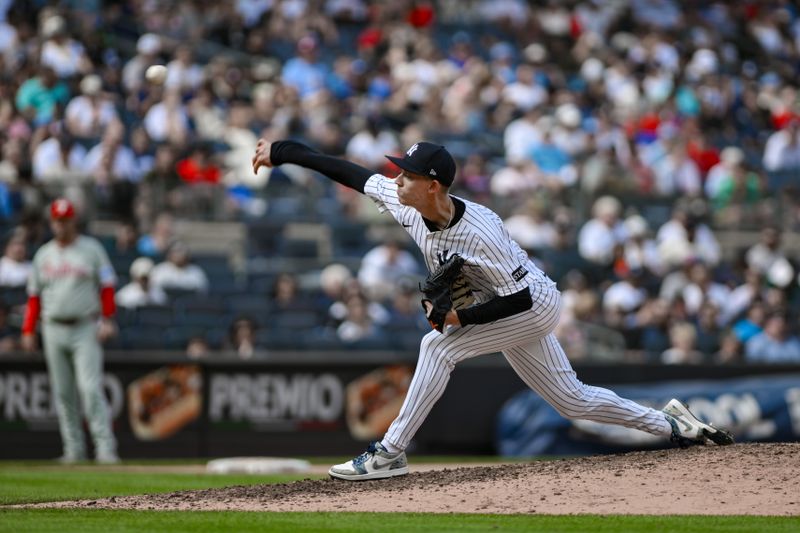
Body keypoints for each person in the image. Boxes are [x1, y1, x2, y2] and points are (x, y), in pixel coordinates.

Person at [252, 138, 734, 482]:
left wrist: (458, 319)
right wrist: (285, 152)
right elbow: (351, 173)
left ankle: (390, 452)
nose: (397, 179)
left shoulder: (480, 230)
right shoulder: (407, 203)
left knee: (436, 347)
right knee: (572, 400)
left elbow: (520, 301)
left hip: (532, 304)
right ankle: (672, 423)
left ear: (434, 186)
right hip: (504, 303)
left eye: (409, 175)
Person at [21, 198, 120, 464]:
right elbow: (34, 296)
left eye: (65, 220)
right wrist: (29, 329)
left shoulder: (91, 249)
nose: (61, 225)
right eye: (57, 220)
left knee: (89, 388)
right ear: (52, 222)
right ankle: (73, 450)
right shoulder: (44, 254)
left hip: (85, 326)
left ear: (73, 220)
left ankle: (105, 449)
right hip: (52, 327)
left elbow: (108, 284)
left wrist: (108, 319)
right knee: (63, 392)